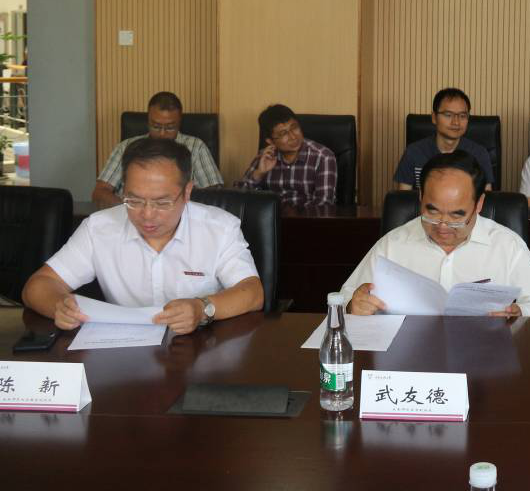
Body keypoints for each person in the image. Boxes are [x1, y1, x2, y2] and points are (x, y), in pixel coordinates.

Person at [23, 138, 263, 335]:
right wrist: (59, 306)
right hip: (123, 354)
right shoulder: (98, 228)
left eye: (162, 202)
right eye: (134, 200)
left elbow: (252, 293)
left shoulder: (220, 228)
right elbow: (38, 285)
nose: (147, 215)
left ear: (187, 192)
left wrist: (203, 308)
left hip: (201, 349)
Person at [343, 151, 530, 317]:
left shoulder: (506, 245)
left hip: (481, 355)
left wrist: (520, 311)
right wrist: (353, 305)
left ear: (479, 204)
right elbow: (345, 298)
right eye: (432, 211)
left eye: (457, 216)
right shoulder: (393, 244)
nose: (443, 226)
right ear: (420, 197)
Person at [93, 91, 222, 207]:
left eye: (170, 128)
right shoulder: (126, 147)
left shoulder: (196, 147)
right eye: (156, 126)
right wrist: (129, 209)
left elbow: (215, 195)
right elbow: (100, 192)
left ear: (179, 122)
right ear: (148, 121)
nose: (162, 134)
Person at [395, 88, 495, 191]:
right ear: (434, 117)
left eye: (462, 116)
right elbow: (404, 198)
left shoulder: (479, 154)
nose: (456, 122)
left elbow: (486, 197)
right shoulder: (413, 152)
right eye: (448, 115)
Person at [236, 104, 336, 207]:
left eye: (294, 127)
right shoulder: (265, 157)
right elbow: (237, 199)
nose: (293, 137)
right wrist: (258, 174)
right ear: (270, 141)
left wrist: (295, 215)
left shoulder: (323, 156)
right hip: (270, 216)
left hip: (307, 216)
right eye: (283, 133)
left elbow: (324, 203)